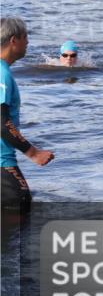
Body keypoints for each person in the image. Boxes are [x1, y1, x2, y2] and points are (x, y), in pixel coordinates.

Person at [1, 17, 55, 215]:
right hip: (2, 165)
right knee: (20, 216)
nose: (28, 42)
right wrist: (33, 153)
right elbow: (1, 122)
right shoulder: (2, 74)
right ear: (13, 40)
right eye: (25, 37)